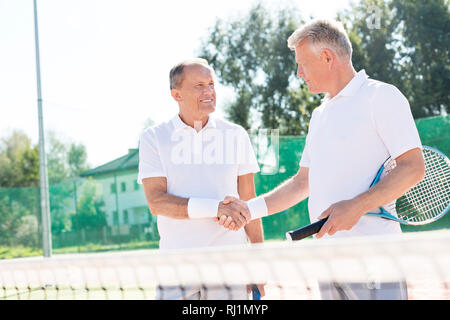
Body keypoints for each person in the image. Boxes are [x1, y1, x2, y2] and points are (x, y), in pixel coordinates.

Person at [224, 19, 425, 300]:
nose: (298, 72)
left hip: (377, 263)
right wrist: (249, 209)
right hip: (328, 266)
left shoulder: (381, 97)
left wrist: (356, 206)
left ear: (327, 57)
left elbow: (413, 167)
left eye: (302, 64)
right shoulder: (319, 115)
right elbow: (302, 183)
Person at [137, 58, 265, 300]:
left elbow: (249, 200)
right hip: (176, 272)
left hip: (230, 270)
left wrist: (257, 260)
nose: (209, 92)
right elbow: (157, 202)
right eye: (199, 86)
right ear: (177, 94)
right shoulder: (154, 138)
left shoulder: (236, 134)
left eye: (211, 84)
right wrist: (215, 209)